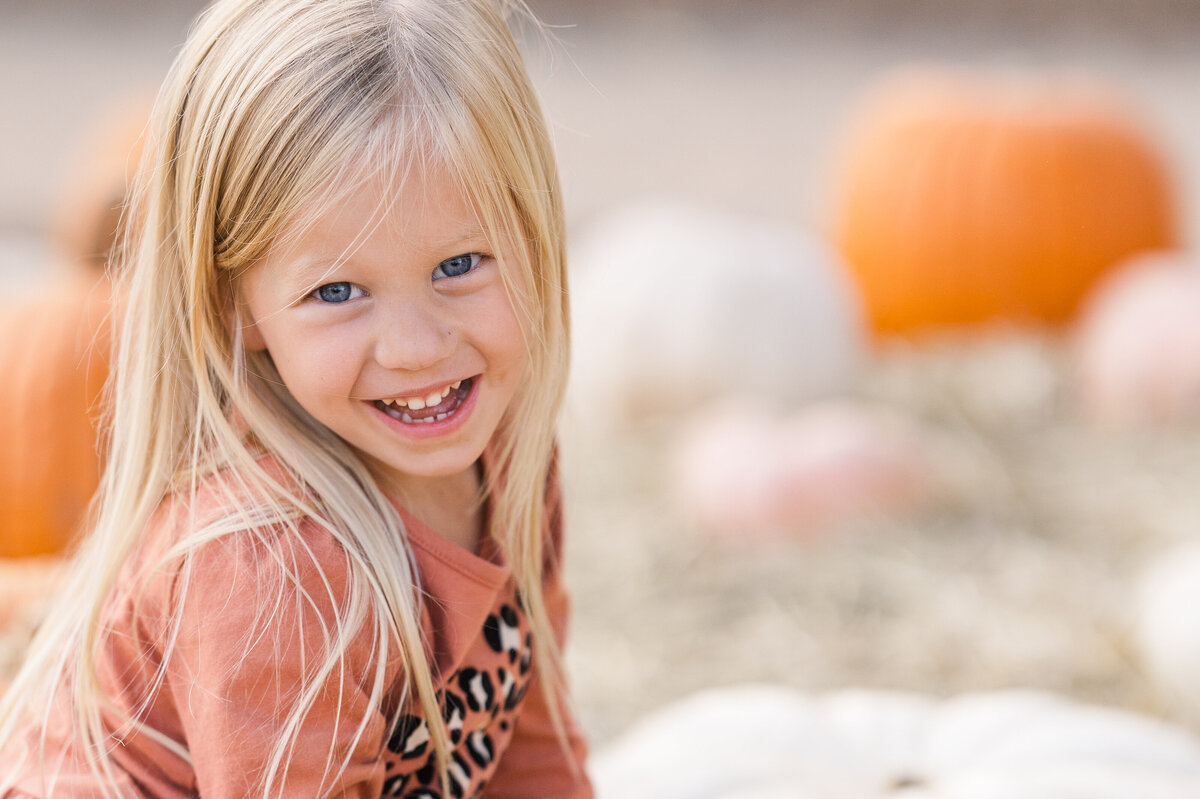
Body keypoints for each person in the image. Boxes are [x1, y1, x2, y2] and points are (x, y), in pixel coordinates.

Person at [0, 0, 591, 796]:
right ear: (238, 308)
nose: (416, 347)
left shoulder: (509, 453)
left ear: (537, 232)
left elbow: (533, 746)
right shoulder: (271, 570)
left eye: (460, 264)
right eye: (339, 290)